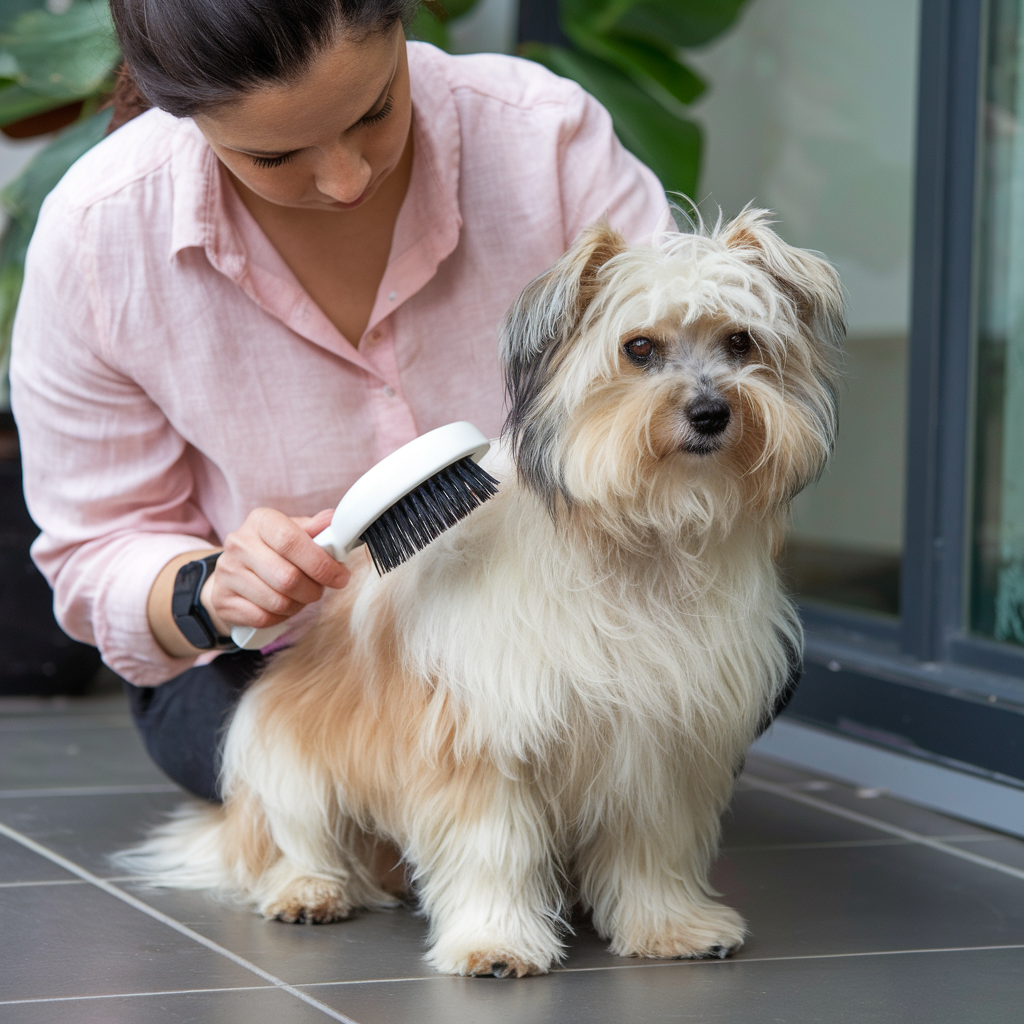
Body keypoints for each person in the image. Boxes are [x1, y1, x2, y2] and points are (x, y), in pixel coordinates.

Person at [9, 0, 670, 801]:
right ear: (186, 116)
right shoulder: (99, 235)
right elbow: (96, 551)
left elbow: (677, 369)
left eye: (376, 111)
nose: (348, 180)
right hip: (289, 662)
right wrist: (210, 588)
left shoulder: (544, 138)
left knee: (716, 676)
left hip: (566, 623)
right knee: (272, 743)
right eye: (275, 156)